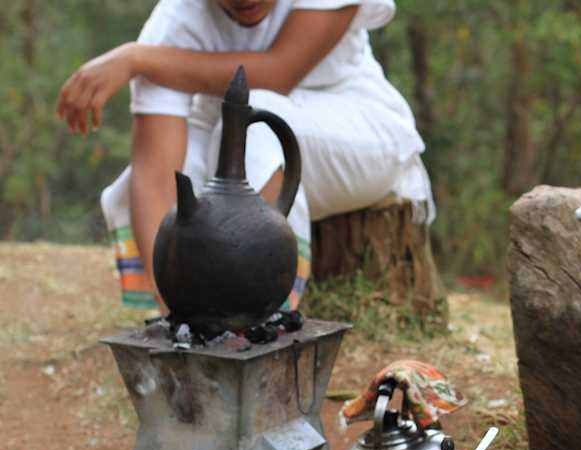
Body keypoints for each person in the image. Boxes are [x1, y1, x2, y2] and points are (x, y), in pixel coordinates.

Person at [57, 0, 433, 312]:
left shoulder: (149, 56)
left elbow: (280, 71)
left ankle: (262, 307)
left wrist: (138, 59)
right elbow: (157, 177)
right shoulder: (175, 22)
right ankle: (193, 319)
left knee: (253, 125)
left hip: (363, 134)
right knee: (162, 182)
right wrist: (171, 300)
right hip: (236, 142)